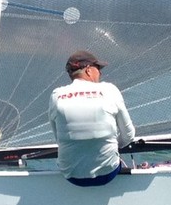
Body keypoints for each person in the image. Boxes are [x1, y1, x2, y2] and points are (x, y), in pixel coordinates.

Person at [47, 50, 135, 187]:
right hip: (107, 174)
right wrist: (111, 145)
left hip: (71, 176)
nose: (100, 73)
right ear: (88, 70)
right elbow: (129, 135)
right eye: (98, 68)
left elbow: (58, 138)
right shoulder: (109, 90)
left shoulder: (56, 95)